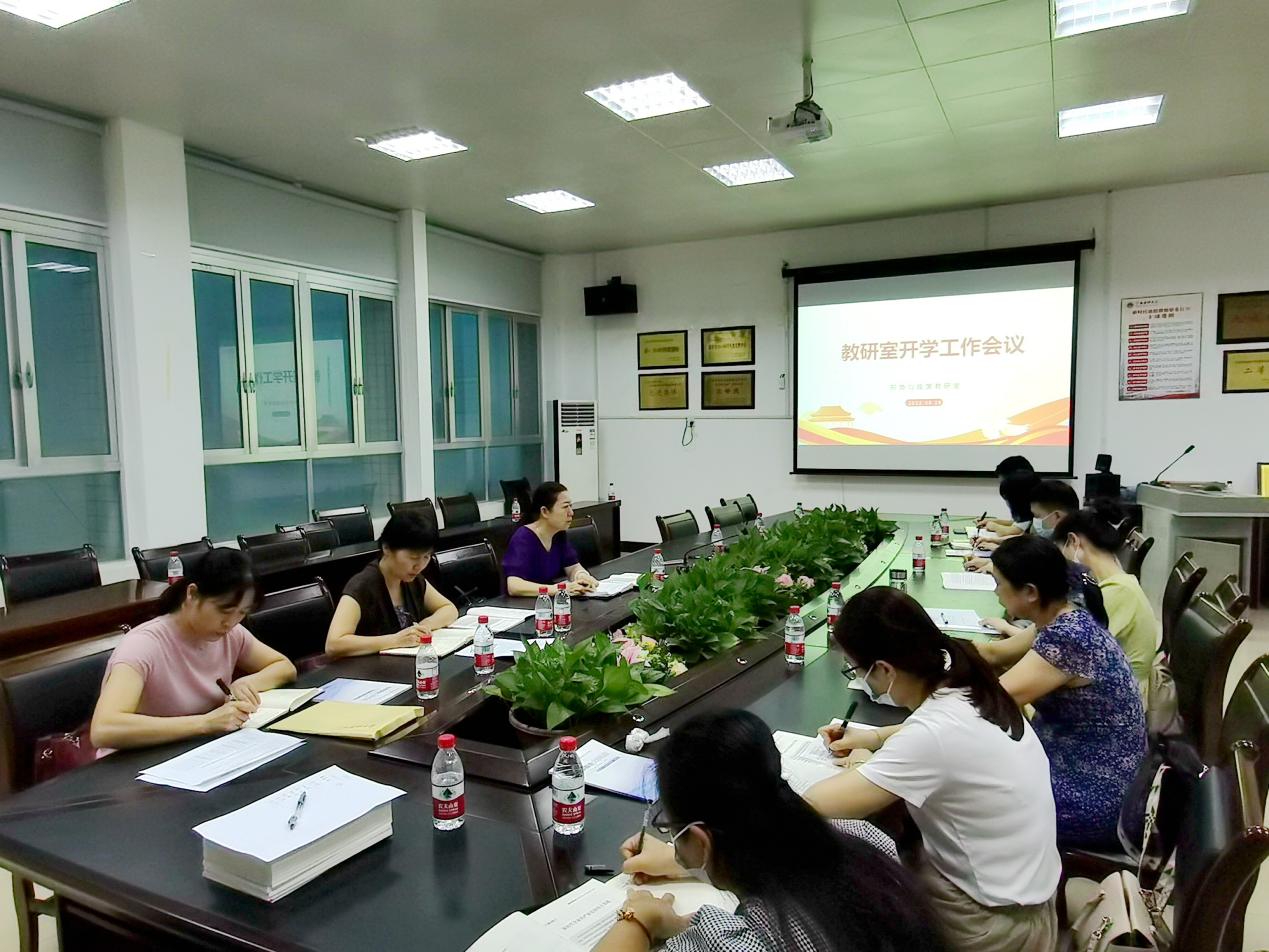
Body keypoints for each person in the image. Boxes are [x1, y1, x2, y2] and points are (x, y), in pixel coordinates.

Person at [804, 587, 1060, 952]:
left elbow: (815, 803)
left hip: (992, 928)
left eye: (857, 670)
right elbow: (936, 740)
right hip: (1027, 899)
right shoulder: (969, 680)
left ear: (884, 669)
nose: (861, 680)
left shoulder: (933, 734)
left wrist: (864, 764)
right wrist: (873, 741)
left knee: (848, 879)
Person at [595, 708, 948, 952]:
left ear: (701, 841)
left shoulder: (740, 941)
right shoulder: (863, 838)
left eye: (672, 830)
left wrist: (637, 919)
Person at [990, 535, 1147, 848]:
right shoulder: (1064, 615)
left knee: (962, 792)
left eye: (998, 583)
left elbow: (986, 703)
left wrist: (886, 734)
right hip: (1081, 767)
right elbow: (993, 657)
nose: (995, 592)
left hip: (1094, 796)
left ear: (1030, 592)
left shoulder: (1069, 638)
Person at [90, 549, 296, 751]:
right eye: (224, 610)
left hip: (193, 750)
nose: (231, 622)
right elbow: (104, 729)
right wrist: (204, 723)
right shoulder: (143, 645)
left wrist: (247, 683)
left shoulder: (231, 634)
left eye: (242, 612)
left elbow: (283, 666)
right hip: (134, 761)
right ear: (192, 594)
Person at [1052, 502, 1157, 699]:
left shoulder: (1117, 592)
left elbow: (1070, 653)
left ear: (1073, 541)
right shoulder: (1110, 580)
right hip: (1111, 687)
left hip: (1121, 698)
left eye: (1060, 552)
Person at [325, 511, 459, 658]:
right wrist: (395, 640)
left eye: (426, 557)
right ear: (387, 548)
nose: (419, 566)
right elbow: (334, 644)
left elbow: (449, 609)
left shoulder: (413, 580)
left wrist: (424, 626)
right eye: (413, 557)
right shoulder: (362, 586)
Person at [502, 481, 598, 597]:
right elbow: (514, 586)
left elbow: (572, 566)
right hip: (523, 604)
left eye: (570, 506)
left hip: (547, 601)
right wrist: (558, 589)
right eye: (565, 507)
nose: (571, 513)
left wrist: (581, 576)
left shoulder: (558, 534)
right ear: (545, 511)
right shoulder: (524, 538)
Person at [966, 477, 1078, 573]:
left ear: (1057, 516)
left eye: (1037, 516)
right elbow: (1032, 561)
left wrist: (998, 569)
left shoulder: (1073, 548)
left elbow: (1044, 575)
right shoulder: (1059, 538)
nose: (1035, 520)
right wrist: (991, 562)